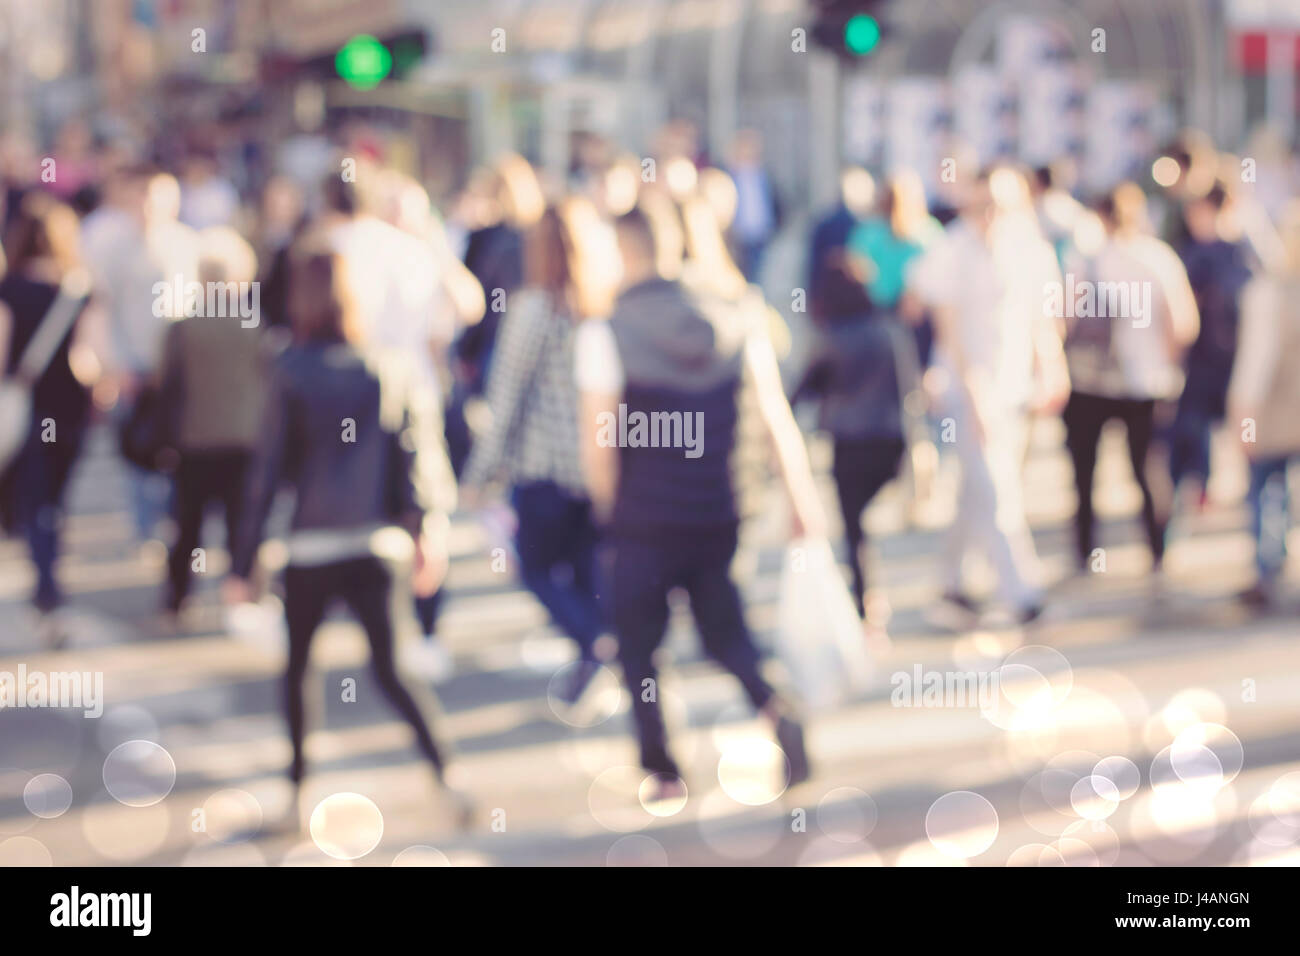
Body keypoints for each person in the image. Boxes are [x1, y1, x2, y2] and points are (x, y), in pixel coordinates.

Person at [575, 205, 825, 800]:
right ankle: (775, 708)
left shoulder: (606, 330)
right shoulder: (737, 312)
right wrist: (800, 496)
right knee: (727, 631)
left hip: (643, 514)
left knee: (640, 646)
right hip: (722, 505)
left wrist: (609, 508)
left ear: (623, 251)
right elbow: (773, 414)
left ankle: (663, 771)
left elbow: (599, 440)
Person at [225, 243, 470, 824]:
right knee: (393, 669)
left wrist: (242, 562)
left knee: (299, 669)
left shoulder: (287, 370)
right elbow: (413, 457)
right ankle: (447, 774)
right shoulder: (387, 365)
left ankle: (296, 792)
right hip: (375, 543)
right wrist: (424, 531)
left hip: (308, 545)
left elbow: (265, 473)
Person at [461, 201, 613, 705]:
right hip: (597, 465)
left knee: (536, 567)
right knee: (584, 569)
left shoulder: (534, 309)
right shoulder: (603, 307)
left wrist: (479, 472)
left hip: (544, 468)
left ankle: (594, 642)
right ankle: (595, 647)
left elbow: (506, 397)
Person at [909, 167, 1069, 625]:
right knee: (997, 487)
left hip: (1013, 386)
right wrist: (975, 393)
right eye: (980, 206)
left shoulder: (1030, 248)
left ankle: (949, 583)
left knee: (976, 489)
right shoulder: (953, 250)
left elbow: (1041, 318)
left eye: (998, 206)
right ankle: (1022, 590)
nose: (989, 216)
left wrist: (1052, 367)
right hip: (967, 388)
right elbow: (949, 328)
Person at [321, 172, 461, 680]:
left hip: (355, 396)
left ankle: (378, 630)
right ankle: (424, 631)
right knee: (422, 512)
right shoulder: (414, 255)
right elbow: (441, 336)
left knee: (366, 513)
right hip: (415, 395)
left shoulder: (336, 248)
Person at [1057, 184, 1198, 576]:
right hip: (1145, 384)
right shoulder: (1158, 259)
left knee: (1084, 474)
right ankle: (1157, 552)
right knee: (1147, 472)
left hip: (1088, 383)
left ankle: (1085, 553)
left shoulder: (1084, 260)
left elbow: (1062, 321)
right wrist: (1168, 369)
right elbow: (1183, 324)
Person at [792, 257, 920, 627]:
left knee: (853, 527)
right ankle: (867, 599)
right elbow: (909, 388)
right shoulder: (890, 330)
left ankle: (864, 601)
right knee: (858, 519)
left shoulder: (832, 339)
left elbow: (803, 390)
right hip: (889, 439)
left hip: (849, 442)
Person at [82, 168, 199, 552]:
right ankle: (144, 528)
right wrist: (113, 364)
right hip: (133, 365)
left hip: (177, 367)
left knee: (175, 449)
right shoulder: (116, 248)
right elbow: (104, 309)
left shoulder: (188, 246)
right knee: (134, 447)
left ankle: (170, 524)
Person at [157, 227, 268, 617]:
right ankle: (242, 590)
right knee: (242, 521)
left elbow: (165, 384)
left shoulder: (184, 327)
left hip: (194, 439)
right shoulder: (255, 327)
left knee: (188, 525)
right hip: (243, 437)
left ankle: (177, 597)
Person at [0, 194, 96, 644]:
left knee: (34, 499)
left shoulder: (9, 290)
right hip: (70, 408)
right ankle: (49, 583)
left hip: (28, 408)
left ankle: (48, 588)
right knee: (53, 501)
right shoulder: (79, 290)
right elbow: (89, 360)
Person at [1227, 200, 1300, 607]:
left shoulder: (1268, 292)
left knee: (1264, 489)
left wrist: (1243, 416)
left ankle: (1267, 568)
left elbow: (1255, 363)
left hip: (1272, 413)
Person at [1168, 182, 1253, 512]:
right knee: (1199, 426)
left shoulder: (1234, 251)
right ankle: (1204, 485)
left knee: (1227, 424)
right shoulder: (1198, 252)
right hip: (1206, 357)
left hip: (1226, 356)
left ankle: (1224, 484)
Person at [725, 130, 780, 283]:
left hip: (760, 236)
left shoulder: (764, 177)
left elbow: (777, 203)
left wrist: (773, 226)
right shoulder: (729, 175)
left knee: (757, 277)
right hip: (736, 237)